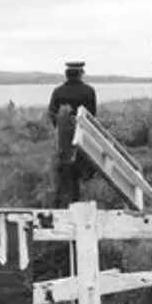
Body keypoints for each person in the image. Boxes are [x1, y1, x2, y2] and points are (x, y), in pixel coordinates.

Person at [47, 61, 98, 207]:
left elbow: (52, 114)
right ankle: (78, 200)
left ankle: (62, 201)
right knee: (79, 170)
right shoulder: (88, 91)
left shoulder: (58, 92)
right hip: (82, 137)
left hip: (62, 139)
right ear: (81, 73)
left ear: (67, 74)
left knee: (63, 169)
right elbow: (92, 116)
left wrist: (61, 128)